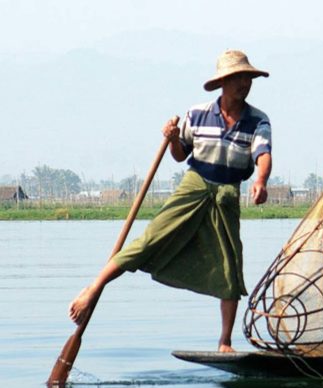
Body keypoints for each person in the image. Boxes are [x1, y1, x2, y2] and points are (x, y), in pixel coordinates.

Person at [68, 50, 272, 352]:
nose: (244, 83)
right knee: (148, 241)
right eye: (238, 78)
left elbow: (263, 155)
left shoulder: (258, 120)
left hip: (227, 193)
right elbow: (179, 155)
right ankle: (93, 289)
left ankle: (225, 341)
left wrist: (260, 181)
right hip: (194, 186)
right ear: (223, 83)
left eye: (247, 78)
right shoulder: (198, 114)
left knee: (230, 266)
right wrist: (174, 137)